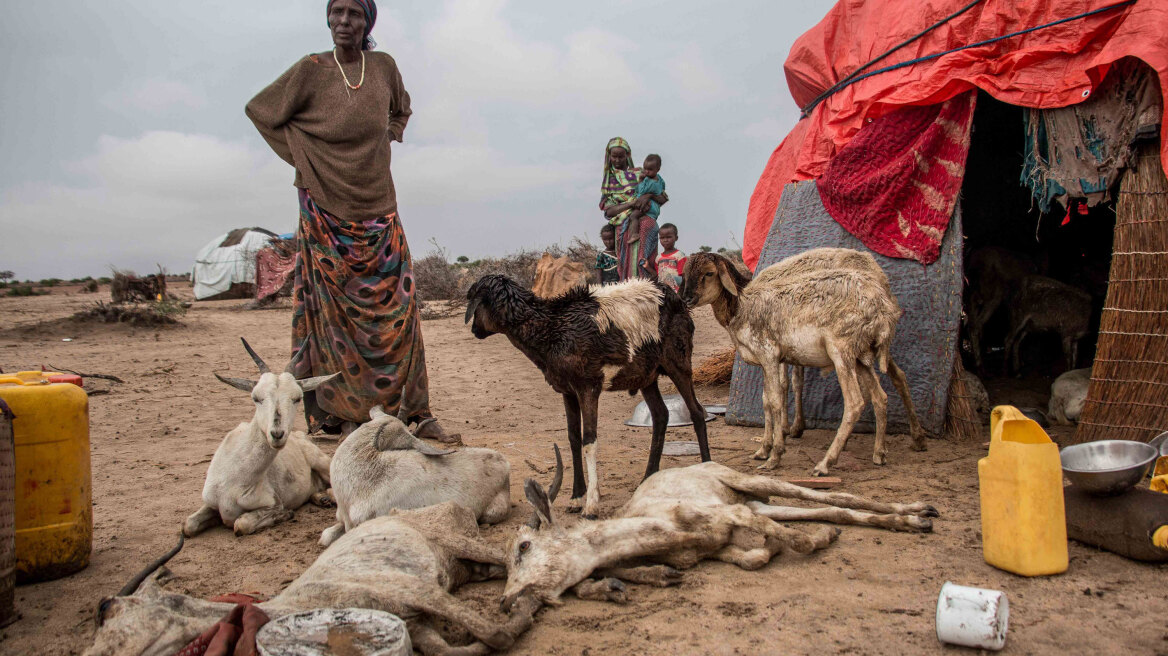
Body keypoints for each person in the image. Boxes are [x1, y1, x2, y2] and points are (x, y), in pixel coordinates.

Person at [245, 0, 459, 443]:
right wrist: (304, 158)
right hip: (323, 209)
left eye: (354, 14)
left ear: (367, 22)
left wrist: (389, 134)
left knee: (400, 311)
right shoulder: (310, 69)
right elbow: (260, 110)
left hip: (380, 205)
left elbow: (401, 110)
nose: (344, 21)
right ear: (327, 19)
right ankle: (341, 415)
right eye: (337, 12)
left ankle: (415, 411)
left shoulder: (383, 67)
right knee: (332, 318)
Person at [600, 137, 667, 280]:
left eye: (621, 156)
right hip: (623, 228)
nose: (617, 160)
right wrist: (631, 204)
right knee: (627, 268)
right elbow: (609, 212)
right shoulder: (610, 181)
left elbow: (662, 197)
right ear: (609, 156)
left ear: (627, 155)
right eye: (614, 156)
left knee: (645, 263)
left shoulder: (643, 173)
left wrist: (648, 196)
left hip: (646, 222)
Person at [632, 154, 665, 277]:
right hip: (653, 216)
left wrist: (640, 180)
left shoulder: (649, 182)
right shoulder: (659, 180)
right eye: (645, 169)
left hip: (647, 216)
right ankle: (651, 279)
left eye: (649, 169)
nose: (646, 172)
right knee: (650, 256)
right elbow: (663, 195)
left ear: (657, 169)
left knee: (642, 256)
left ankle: (643, 280)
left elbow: (640, 193)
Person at [655, 223, 687, 293]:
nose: (665, 240)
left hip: (675, 292)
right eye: (662, 238)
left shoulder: (679, 256)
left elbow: (683, 277)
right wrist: (647, 266)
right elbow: (657, 275)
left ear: (676, 238)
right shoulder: (658, 258)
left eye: (668, 237)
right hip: (662, 292)